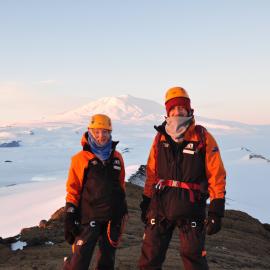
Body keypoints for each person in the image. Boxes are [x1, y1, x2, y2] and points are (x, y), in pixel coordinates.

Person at [139, 87, 226, 270]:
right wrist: (146, 200)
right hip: (160, 207)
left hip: (191, 207)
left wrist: (216, 210)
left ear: (189, 110)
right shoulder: (159, 138)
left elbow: (216, 174)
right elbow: (152, 172)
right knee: (150, 258)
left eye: (181, 108)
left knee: (194, 260)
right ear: (167, 112)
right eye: (173, 108)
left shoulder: (203, 137)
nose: (178, 111)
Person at [63, 114, 128, 270]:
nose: (101, 136)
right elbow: (73, 188)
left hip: (111, 221)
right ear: (90, 131)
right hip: (88, 219)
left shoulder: (117, 158)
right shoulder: (80, 159)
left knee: (106, 262)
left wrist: (122, 212)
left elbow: (121, 187)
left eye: (105, 131)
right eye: (97, 131)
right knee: (78, 263)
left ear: (110, 133)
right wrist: (70, 215)